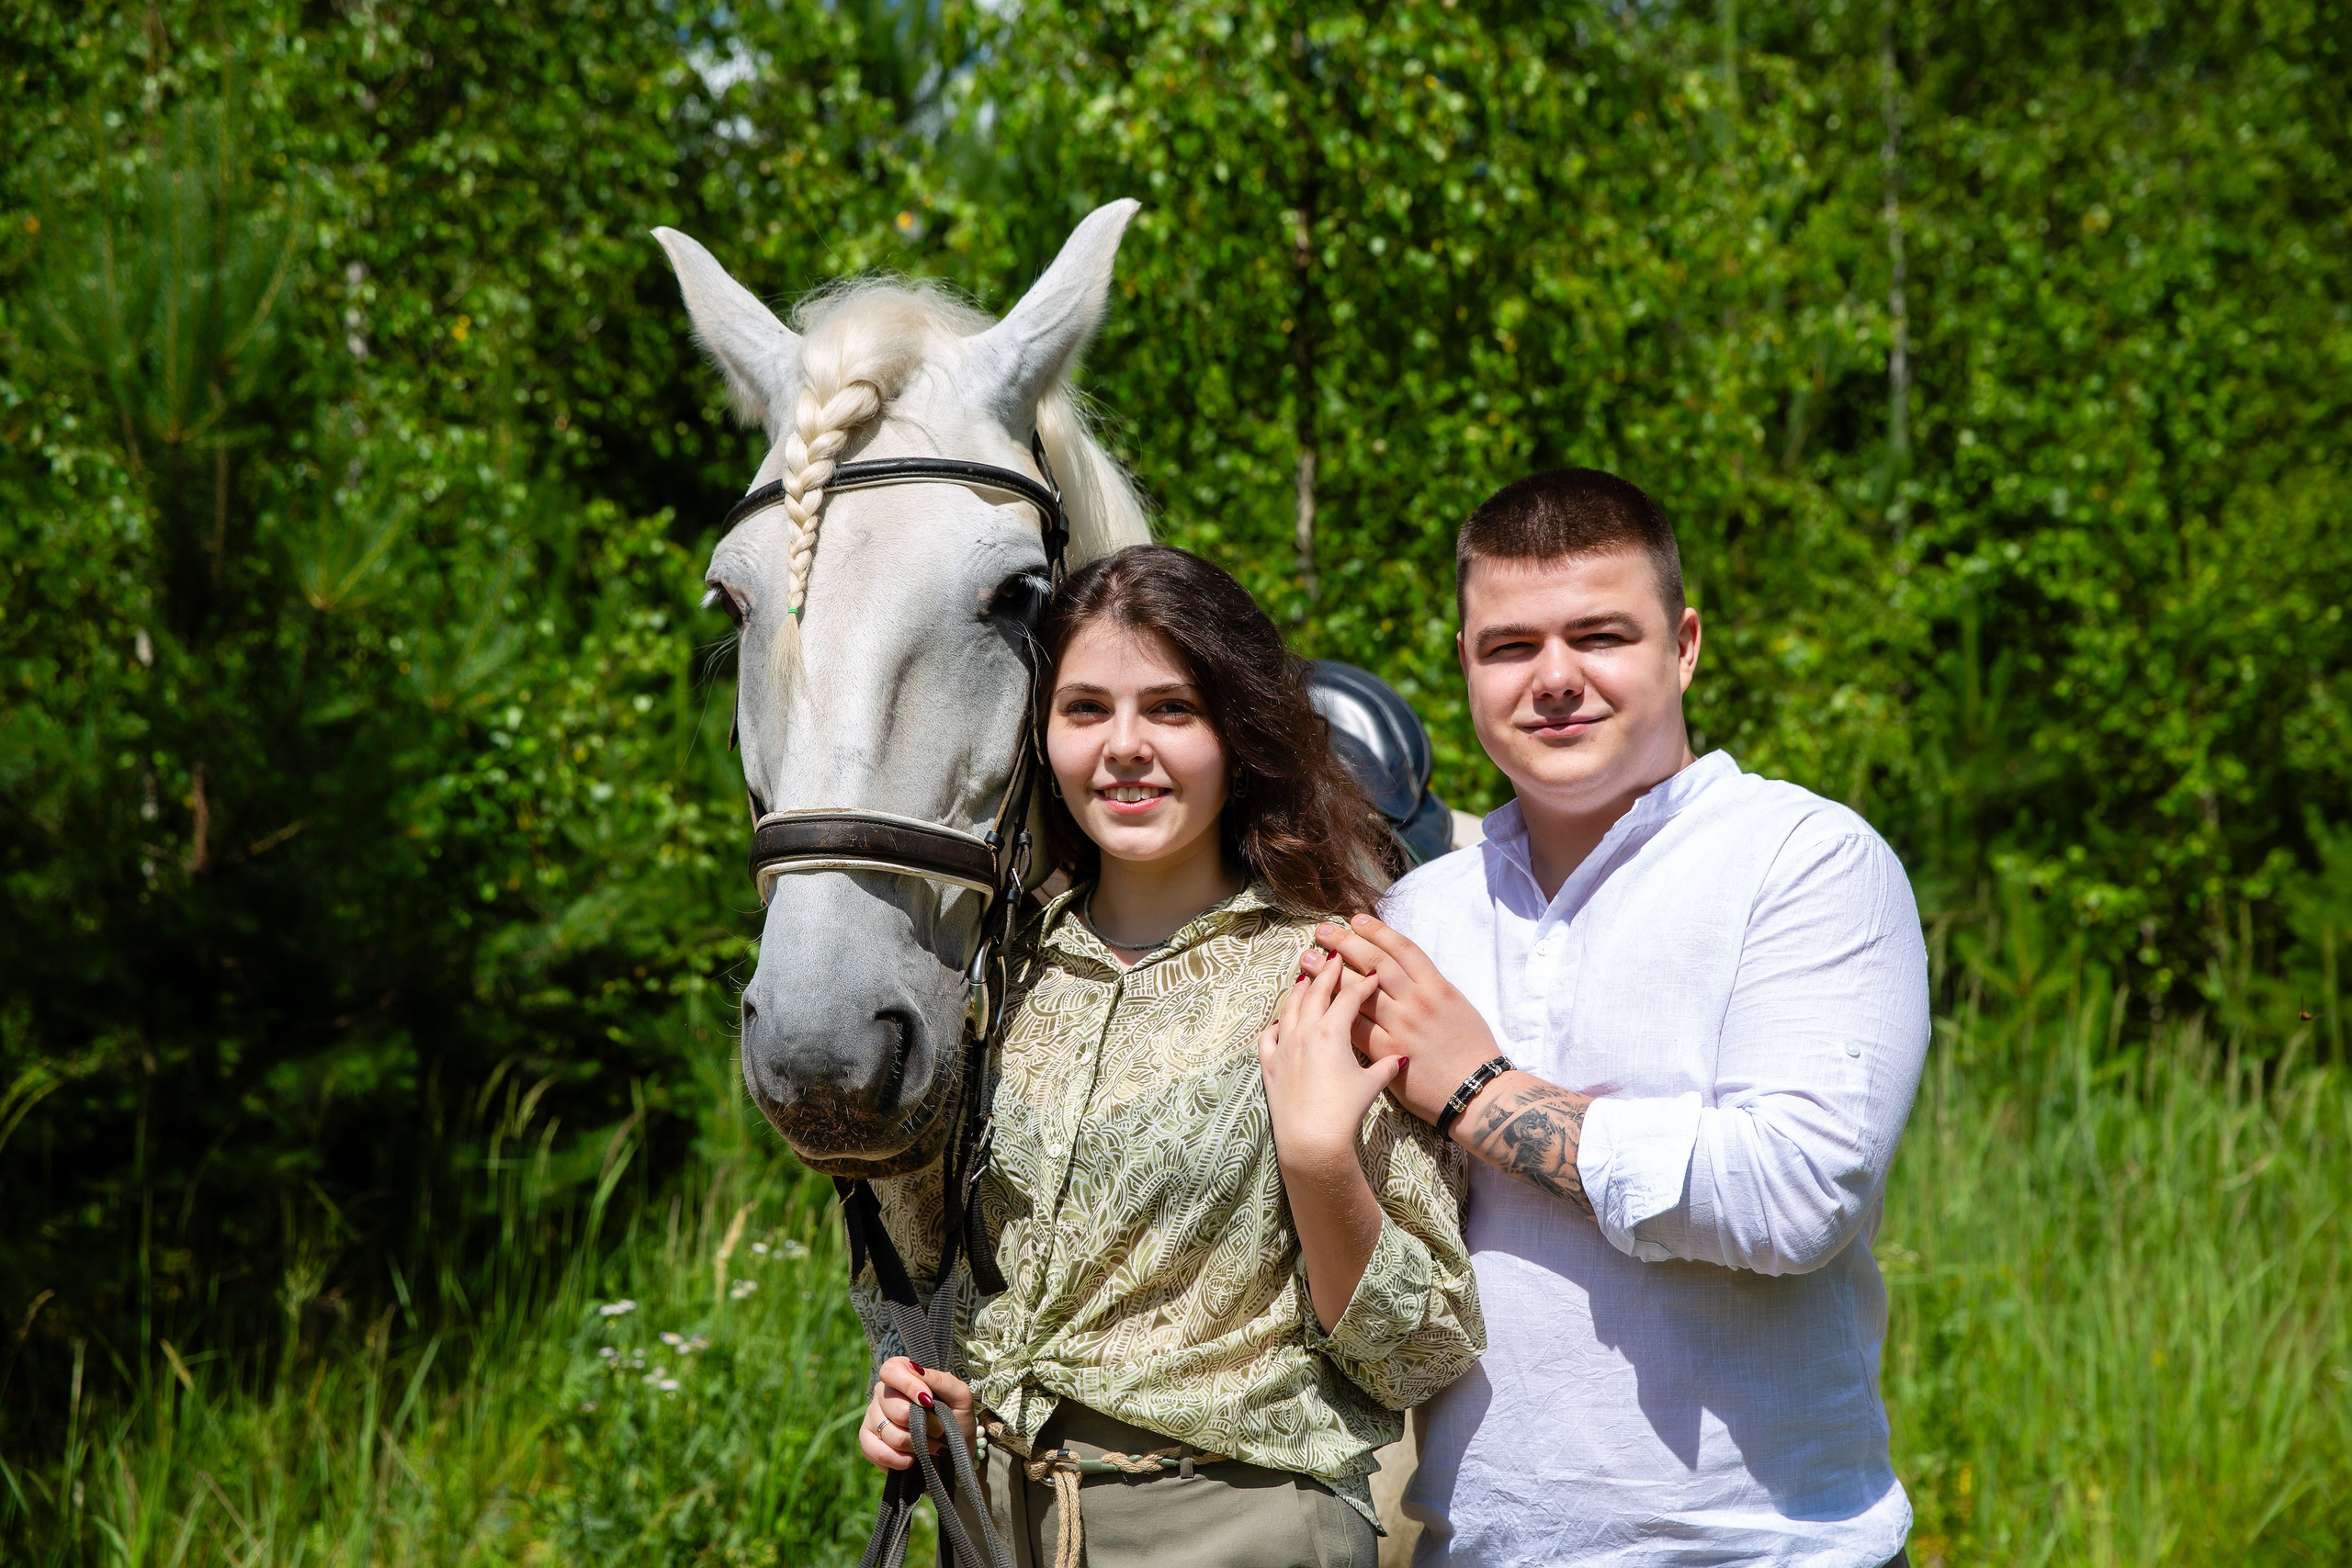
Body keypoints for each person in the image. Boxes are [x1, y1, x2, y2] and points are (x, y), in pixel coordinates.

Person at [1289, 469, 1929, 1566]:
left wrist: (1483, 1092)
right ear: (1463, 665)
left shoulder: (1805, 860)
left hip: (1771, 1550)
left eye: (1600, 636)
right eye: (1509, 647)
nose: (1555, 680)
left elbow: (1797, 1193)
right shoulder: (1416, 914)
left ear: (1682, 646)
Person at [858, 544, 1485, 1568]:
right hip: (994, 1523)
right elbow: (939, 1277)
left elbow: (1420, 1352)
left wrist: (1321, 1160)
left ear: (1238, 735)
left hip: (1237, 1530)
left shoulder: (1329, 970)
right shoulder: (997, 979)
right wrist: (921, 1389)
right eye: (1086, 710)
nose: (1124, 748)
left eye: (1172, 711)